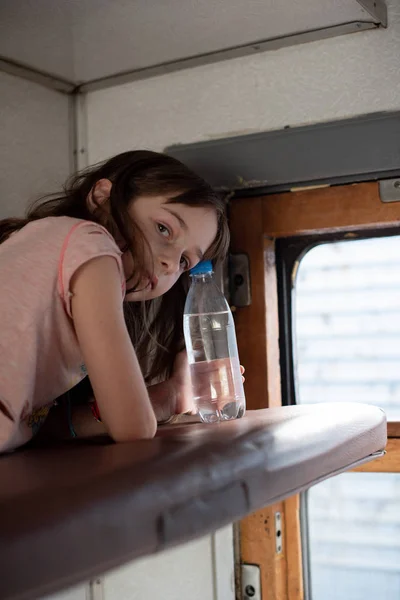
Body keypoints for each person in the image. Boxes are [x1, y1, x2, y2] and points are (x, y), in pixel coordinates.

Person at [0, 150, 233, 453]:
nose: (169, 265)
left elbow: (48, 428)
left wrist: (174, 393)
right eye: (163, 229)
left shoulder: (47, 255)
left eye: (185, 261)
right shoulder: (91, 244)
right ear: (102, 198)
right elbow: (133, 429)